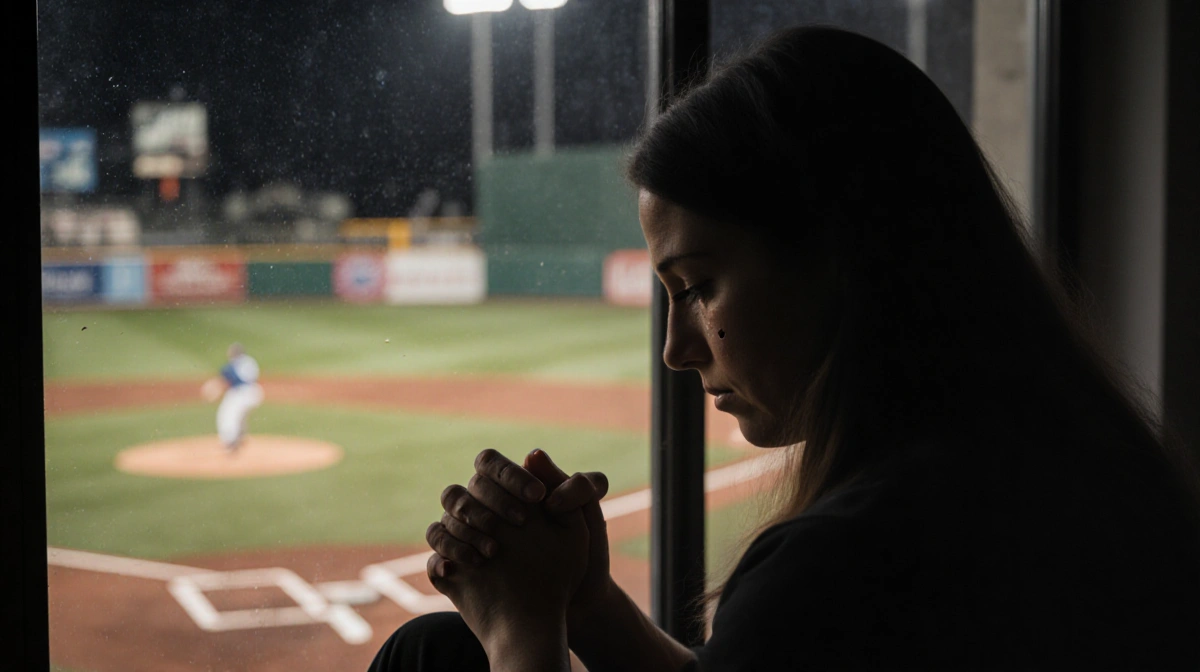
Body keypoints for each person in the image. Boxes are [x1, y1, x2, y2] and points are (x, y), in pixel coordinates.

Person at [369, 26, 1200, 671]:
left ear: (841, 262)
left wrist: (522, 633)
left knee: (436, 655)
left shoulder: (842, 562)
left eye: (696, 287)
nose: (674, 350)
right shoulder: (1063, 457)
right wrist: (588, 607)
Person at [202, 342, 264, 454]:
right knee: (241, 416)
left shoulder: (233, 364)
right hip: (255, 393)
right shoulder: (250, 361)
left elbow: (224, 380)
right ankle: (240, 437)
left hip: (241, 394)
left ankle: (230, 441)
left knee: (226, 414)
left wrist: (212, 391)